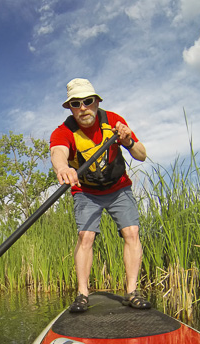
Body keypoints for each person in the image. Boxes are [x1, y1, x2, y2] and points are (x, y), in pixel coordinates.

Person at [50, 78, 151, 312]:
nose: (83, 107)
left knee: (132, 232)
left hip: (118, 188)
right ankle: (82, 294)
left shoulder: (114, 121)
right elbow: (58, 153)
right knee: (86, 237)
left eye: (87, 101)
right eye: (76, 103)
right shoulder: (64, 131)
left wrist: (129, 140)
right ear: (70, 108)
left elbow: (141, 155)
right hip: (86, 191)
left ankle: (131, 292)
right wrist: (63, 168)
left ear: (97, 102)